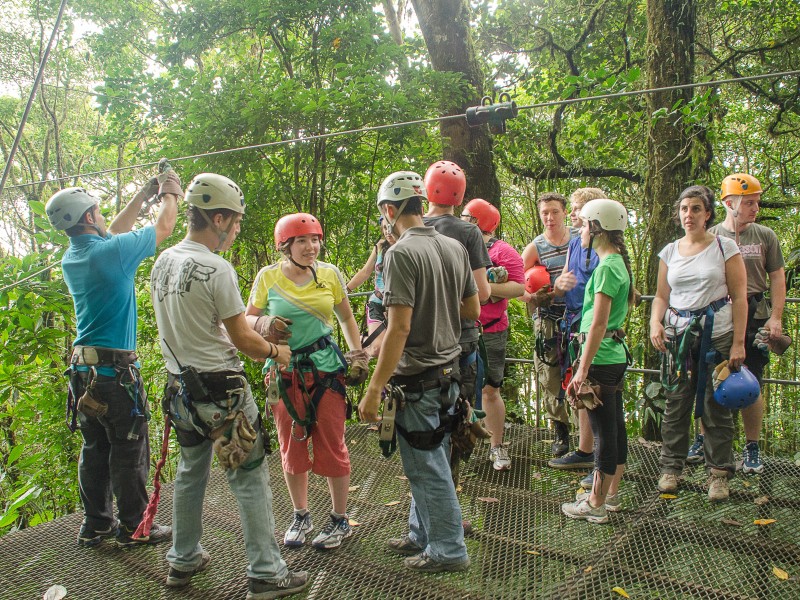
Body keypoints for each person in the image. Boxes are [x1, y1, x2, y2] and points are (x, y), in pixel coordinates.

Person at [150, 173, 308, 598]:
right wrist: (276, 353)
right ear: (218, 218)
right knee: (250, 477)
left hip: (180, 389)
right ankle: (265, 571)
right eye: (235, 222)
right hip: (222, 393)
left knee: (190, 473)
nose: (237, 229)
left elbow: (209, 324)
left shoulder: (163, 261)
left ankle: (182, 559)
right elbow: (241, 339)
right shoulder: (216, 268)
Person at [46, 172, 179, 548]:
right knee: (128, 447)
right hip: (114, 375)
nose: (104, 216)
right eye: (98, 212)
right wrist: (170, 193)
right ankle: (135, 526)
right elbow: (164, 227)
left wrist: (142, 195)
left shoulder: (73, 256)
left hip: (83, 372)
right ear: (88, 218)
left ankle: (96, 524)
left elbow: (112, 232)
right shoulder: (111, 253)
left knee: (96, 448)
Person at [359, 171, 478, 573]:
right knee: (431, 457)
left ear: (390, 211)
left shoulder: (400, 255)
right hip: (449, 372)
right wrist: (437, 303)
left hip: (418, 377)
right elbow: (473, 311)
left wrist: (374, 389)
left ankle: (448, 549)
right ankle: (421, 533)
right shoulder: (453, 247)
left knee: (427, 467)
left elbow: (399, 328)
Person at [246, 213, 367, 551]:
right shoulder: (267, 278)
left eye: (314, 240)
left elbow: (345, 316)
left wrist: (357, 356)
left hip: (326, 369)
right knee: (292, 443)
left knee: (332, 442)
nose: (311, 247)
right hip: (285, 372)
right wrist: (267, 322)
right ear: (286, 246)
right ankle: (301, 515)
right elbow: (248, 319)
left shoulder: (329, 274)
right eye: (302, 241)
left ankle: (339, 519)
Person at [650, 185, 747, 502]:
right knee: (676, 405)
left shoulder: (724, 247)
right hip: (678, 339)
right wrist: (655, 322)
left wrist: (738, 343)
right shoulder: (670, 251)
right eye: (684, 209)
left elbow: (740, 297)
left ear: (707, 214)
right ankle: (671, 468)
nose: (688, 215)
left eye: (695, 209)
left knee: (715, 407)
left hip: (716, 337)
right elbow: (662, 296)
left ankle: (718, 474)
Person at [686, 174, 786, 474]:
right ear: (730, 204)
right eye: (749, 203)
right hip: (717, 318)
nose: (755, 208)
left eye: (757, 202)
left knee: (751, 380)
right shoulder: (712, 235)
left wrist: (776, 316)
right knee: (708, 379)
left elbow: (777, 277)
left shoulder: (764, 236)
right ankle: (703, 439)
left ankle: (752, 446)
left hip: (754, 316)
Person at [559, 199, 632, 523]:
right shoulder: (617, 263)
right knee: (615, 428)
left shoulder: (605, 269)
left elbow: (599, 325)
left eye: (585, 224)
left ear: (598, 228)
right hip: (612, 356)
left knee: (604, 433)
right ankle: (610, 495)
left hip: (600, 358)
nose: (581, 229)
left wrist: (582, 370)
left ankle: (595, 503)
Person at [460, 198, 524, 471]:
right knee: (458, 387)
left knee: (491, 389)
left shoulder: (504, 252)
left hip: (491, 330)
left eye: (465, 216)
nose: (460, 219)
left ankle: (496, 447)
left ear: (477, 221)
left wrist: (482, 287)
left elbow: (519, 289)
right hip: (460, 329)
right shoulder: (456, 245)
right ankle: (459, 442)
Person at [548, 189, 605, 478]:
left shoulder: (605, 246)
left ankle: (600, 460)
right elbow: (561, 287)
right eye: (572, 208)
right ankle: (585, 451)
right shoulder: (574, 244)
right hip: (572, 324)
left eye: (577, 209)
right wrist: (560, 284)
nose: (572, 214)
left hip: (594, 325)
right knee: (578, 387)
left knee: (593, 389)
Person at [521, 192, 577, 456]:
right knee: (549, 375)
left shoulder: (579, 238)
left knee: (579, 370)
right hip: (547, 320)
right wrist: (533, 297)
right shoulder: (535, 246)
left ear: (564, 212)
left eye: (554, 211)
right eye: (545, 212)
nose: (549, 217)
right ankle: (560, 431)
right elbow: (516, 283)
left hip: (578, 317)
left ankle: (585, 433)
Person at [346, 218, 396, 358]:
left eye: (390, 228)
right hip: (378, 303)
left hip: (398, 304)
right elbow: (365, 272)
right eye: (384, 228)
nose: (388, 232)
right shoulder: (380, 246)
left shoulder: (408, 246)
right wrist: (344, 290)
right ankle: (360, 345)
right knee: (377, 349)